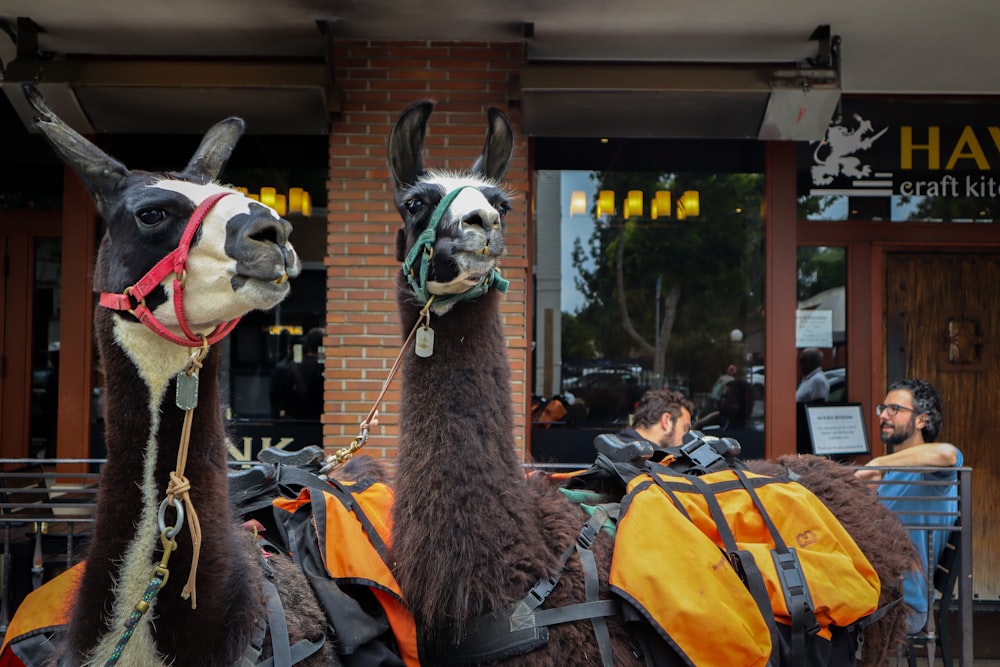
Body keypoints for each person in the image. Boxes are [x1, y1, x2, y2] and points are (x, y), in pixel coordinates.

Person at [855, 378, 962, 634]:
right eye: (883, 408)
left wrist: (877, 464)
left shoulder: (935, 474)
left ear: (921, 420)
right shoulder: (891, 472)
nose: (884, 415)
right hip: (876, 589)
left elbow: (947, 453)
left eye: (895, 409)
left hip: (901, 603)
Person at [269, 327, 325, 419]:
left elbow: (276, 398)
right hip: (319, 422)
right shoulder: (328, 368)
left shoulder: (289, 367)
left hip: (293, 421)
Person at [617, 388, 693, 448]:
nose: (687, 439)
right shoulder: (658, 462)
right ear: (666, 421)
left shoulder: (612, 445)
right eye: (685, 429)